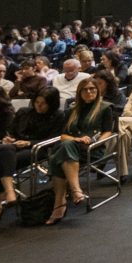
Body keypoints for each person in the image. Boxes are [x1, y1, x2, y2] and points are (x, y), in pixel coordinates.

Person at [0, 87, 65, 229]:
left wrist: (29, 143)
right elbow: (12, 132)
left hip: (38, 149)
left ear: (51, 103)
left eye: (43, 103)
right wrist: (9, 139)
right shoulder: (23, 112)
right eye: (37, 102)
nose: (39, 105)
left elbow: (55, 139)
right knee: (5, 148)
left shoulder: (58, 115)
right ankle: (8, 191)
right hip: (14, 148)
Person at [46, 77, 115, 225]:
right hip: (73, 146)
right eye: (85, 90)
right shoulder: (71, 110)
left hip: (92, 149)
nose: (89, 92)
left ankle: (60, 203)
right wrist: (76, 139)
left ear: (97, 91)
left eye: (92, 89)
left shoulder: (105, 108)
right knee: (65, 147)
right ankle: (75, 191)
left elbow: (108, 132)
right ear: (79, 92)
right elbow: (63, 135)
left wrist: (95, 142)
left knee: (57, 157)